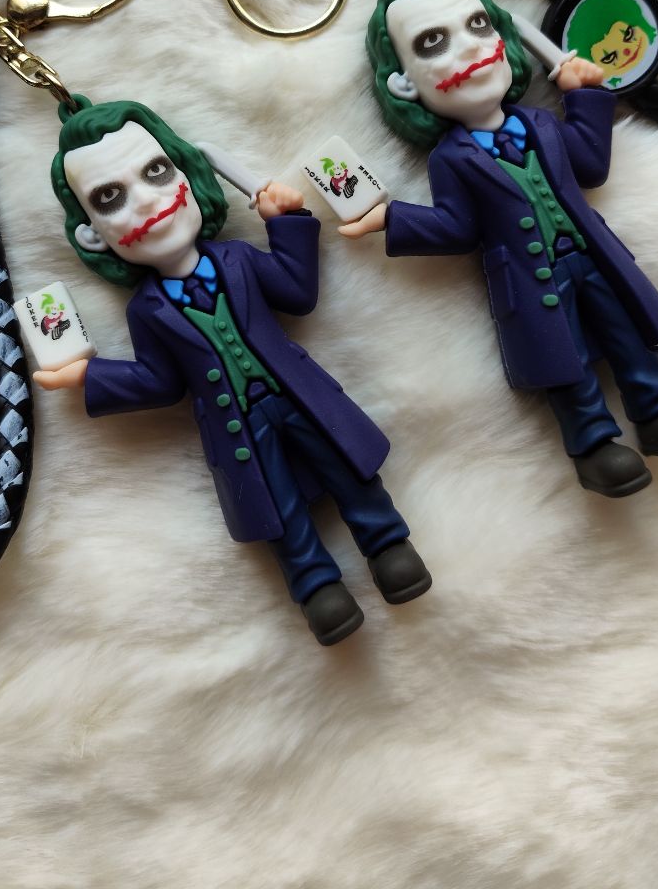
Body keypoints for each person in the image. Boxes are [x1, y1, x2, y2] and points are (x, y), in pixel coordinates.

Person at [35, 97, 431, 644]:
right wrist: (89, 376)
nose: (146, 201)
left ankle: (387, 543)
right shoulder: (146, 311)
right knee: (275, 504)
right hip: (236, 429)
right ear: (92, 235)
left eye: (156, 172)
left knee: (347, 466)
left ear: (189, 176)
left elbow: (298, 294)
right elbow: (160, 382)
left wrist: (287, 222)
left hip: (301, 395)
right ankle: (316, 585)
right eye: (110, 197)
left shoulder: (240, 259)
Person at [340, 0, 658, 497]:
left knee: (628, 334)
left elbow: (590, 166)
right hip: (530, 281)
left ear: (501, 34)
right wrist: (392, 219)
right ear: (403, 83)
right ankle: (593, 443)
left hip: (594, 257)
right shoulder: (452, 159)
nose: (469, 49)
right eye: (432, 43)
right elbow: (457, 228)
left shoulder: (541, 123)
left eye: (478, 25)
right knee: (565, 363)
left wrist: (585, 96)